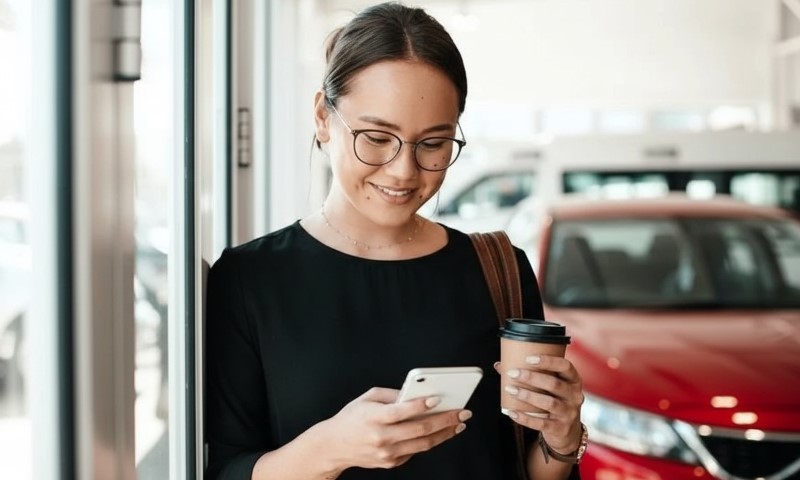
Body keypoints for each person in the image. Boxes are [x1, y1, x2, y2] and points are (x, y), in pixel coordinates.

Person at [205, 3, 585, 479]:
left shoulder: (500, 269)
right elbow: (226, 469)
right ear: (324, 117)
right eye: (377, 137)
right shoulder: (248, 280)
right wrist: (331, 448)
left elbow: (529, 469)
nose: (404, 171)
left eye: (433, 143)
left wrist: (562, 436)